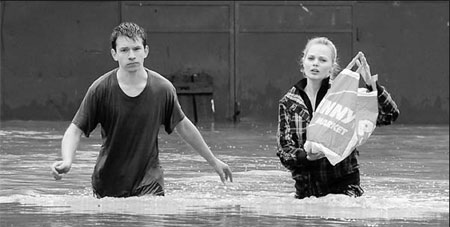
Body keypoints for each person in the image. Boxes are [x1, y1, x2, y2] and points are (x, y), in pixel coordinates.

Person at [51, 22, 232, 198]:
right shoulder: (100, 89)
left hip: (150, 181)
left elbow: (183, 126)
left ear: (146, 51)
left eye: (136, 49)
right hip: (108, 183)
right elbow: (75, 130)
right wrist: (67, 161)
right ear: (114, 54)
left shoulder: (163, 89)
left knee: (148, 225)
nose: (131, 55)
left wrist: (214, 161)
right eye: (124, 50)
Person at [276, 37, 399, 199]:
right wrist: (305, 156)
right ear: (303, 62)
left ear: (332, 66)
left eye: (322, 60)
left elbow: (389, 115)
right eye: (311, 58)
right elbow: (284, 150)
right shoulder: (289, 101)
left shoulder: (345, 94)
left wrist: (371, 84)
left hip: (345, 189)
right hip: (307, 191)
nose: (315, 64)